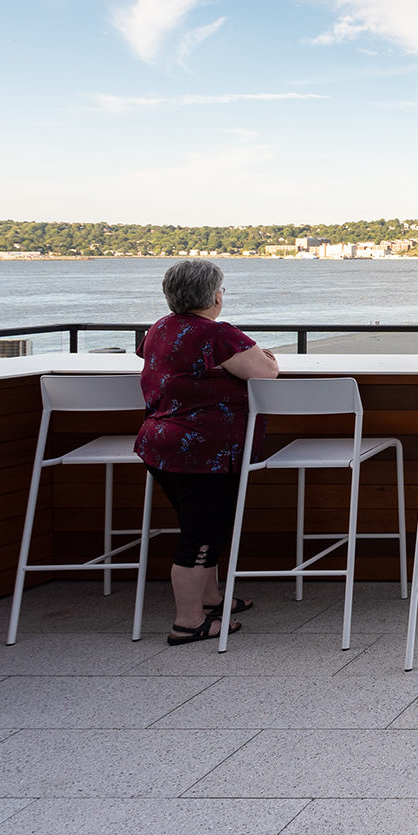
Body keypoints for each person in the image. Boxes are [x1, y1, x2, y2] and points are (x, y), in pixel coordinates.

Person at [134, 259, 279, 645]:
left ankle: (212, 598)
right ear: (214, 296)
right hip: (205, 453)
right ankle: (188, 621)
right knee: (201, 535)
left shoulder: (159, 329)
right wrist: (266, 355)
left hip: (160, 446)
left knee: (203, 526)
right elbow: (266, 372)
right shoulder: (218, 335)